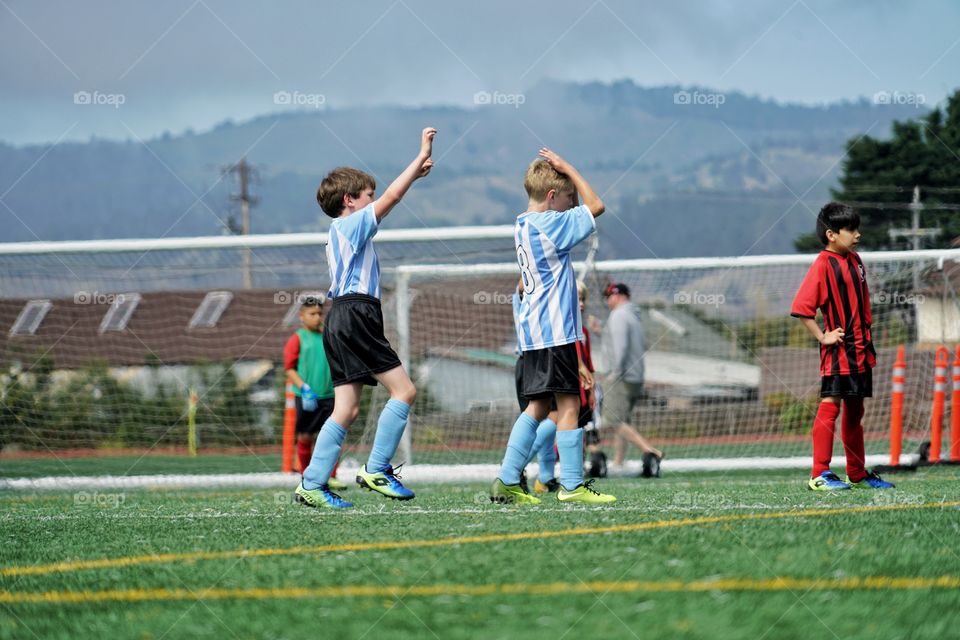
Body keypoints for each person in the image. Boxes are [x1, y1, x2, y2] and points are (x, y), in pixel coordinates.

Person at [294, 127, 436, 509]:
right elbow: (392, 196)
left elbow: (385, 198)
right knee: (404, 391)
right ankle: (376, 468)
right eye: (367, 196)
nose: (374, 202)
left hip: (340, 317)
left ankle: (312, 483)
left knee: (347, 408)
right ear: (349, 201)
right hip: (356, 314)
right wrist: (419, 158)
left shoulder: (340, 231)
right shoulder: (351, 223)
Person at [490, 148, 615, 505]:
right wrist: (571, 169)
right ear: (551, 196)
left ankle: (508, 478)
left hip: (533, 333)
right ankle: (572, 486)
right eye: (566, 198)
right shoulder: (552, 224)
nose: (572, 204)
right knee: (570, 406)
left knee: (537, 407)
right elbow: (597, 205)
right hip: (554, 330)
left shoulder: (522, 224)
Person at [790, 202, 894, 491]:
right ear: (831, 234)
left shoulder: (856, 260)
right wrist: (823, 336)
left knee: (855, 410)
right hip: (839, 352)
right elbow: (802, 308)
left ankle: (857, 474)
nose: (857, 234)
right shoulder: (823, 264)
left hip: (861, 349)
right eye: (851, 229)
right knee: (830, 406)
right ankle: (819, 474)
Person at [513, 279, 594, 494]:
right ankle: (513, 469)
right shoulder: (539, 301)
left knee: (551, 420)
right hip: (536, 360)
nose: (580, 303)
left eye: (582, 299)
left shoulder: (576, 326)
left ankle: (546, 477)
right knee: (550, 416)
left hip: (545, 359)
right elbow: (522, 285)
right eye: (576, 298)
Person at [597, 282, 663, 477]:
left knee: (613, 420)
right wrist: (600, 331)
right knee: (624, 419)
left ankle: (651, 451)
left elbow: (621, 347)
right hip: (635, 376)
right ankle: (618, 462)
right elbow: (617, 342)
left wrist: (614, 373)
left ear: (617, 296)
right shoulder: (633, 315)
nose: (607, 301)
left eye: (608, 297)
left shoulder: (618, 315)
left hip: (621, 376)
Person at [282, 295, 347, 491]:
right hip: (307, 397)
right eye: (312, 314)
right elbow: (289, 368)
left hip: (330, 396)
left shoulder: (328, 336)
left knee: (332, 437)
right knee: (305, 437)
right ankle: (307, 475)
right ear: (302, 316)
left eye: (320, 313)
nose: (317, 317)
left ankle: (331, 475)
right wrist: (304, 388)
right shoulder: (297, 339)